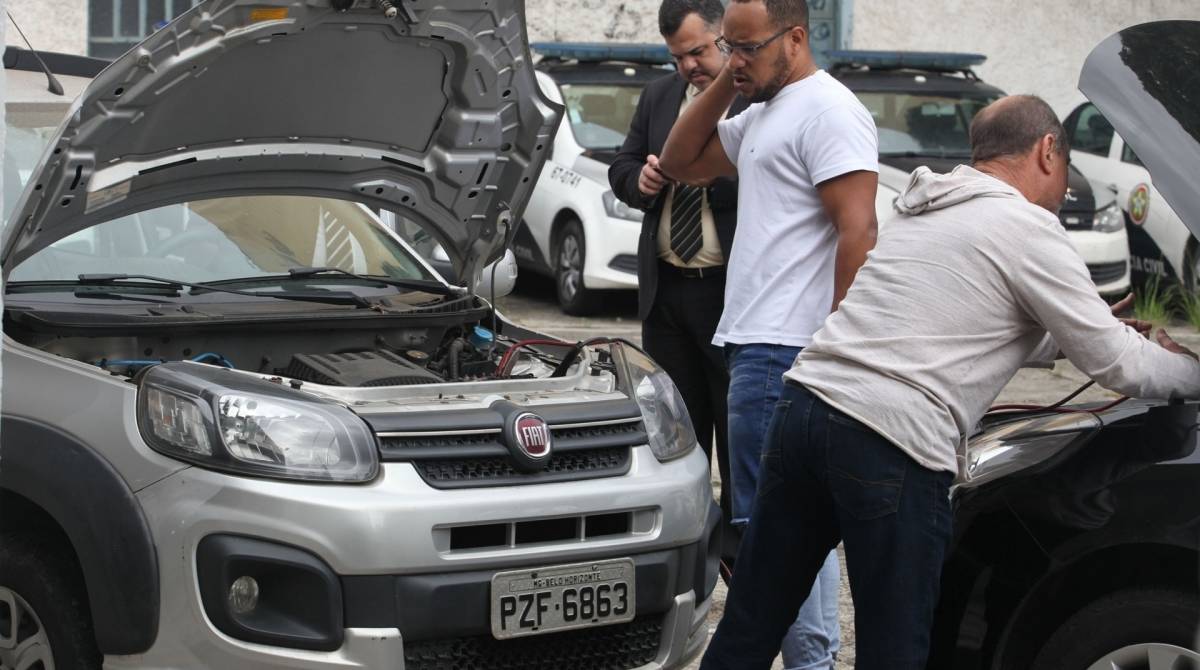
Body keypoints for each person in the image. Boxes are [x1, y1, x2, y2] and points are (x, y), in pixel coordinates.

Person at [700, 95, 1200, 670]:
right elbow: (1121, 366)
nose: (1063, 190)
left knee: (751, 623)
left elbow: (967, 319)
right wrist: (1189, 370)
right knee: (897, 648)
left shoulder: (927, 208)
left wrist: (1082, 331)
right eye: (1064, 169)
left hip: (804, 408)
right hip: (890, 439)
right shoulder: (1026, 225)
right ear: (1046, 150)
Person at [658, 0, 880, 666]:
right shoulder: (759, 110)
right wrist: (734, 72)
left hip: (792, 350)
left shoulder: (830, 111)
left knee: (773, 534)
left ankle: (811, 662)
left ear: (797, 38)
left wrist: (839, 350)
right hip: (757, 343)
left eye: (749, 48)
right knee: (786, 531)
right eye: (730, 46)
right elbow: (679, 159)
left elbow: (859, 232)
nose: (735, 60)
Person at [607, 0, 746, 570]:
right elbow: (620, 167)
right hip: (667, 295)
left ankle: (740, 555)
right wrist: (637, 180)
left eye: (697, 51)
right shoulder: (660, 97)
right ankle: (688, 550)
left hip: (729, 293)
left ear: (724, 38)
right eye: (678, 57)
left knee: (737, 435)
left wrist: (702, 170)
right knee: (676, 433)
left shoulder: (752, 98)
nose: (689, 66)